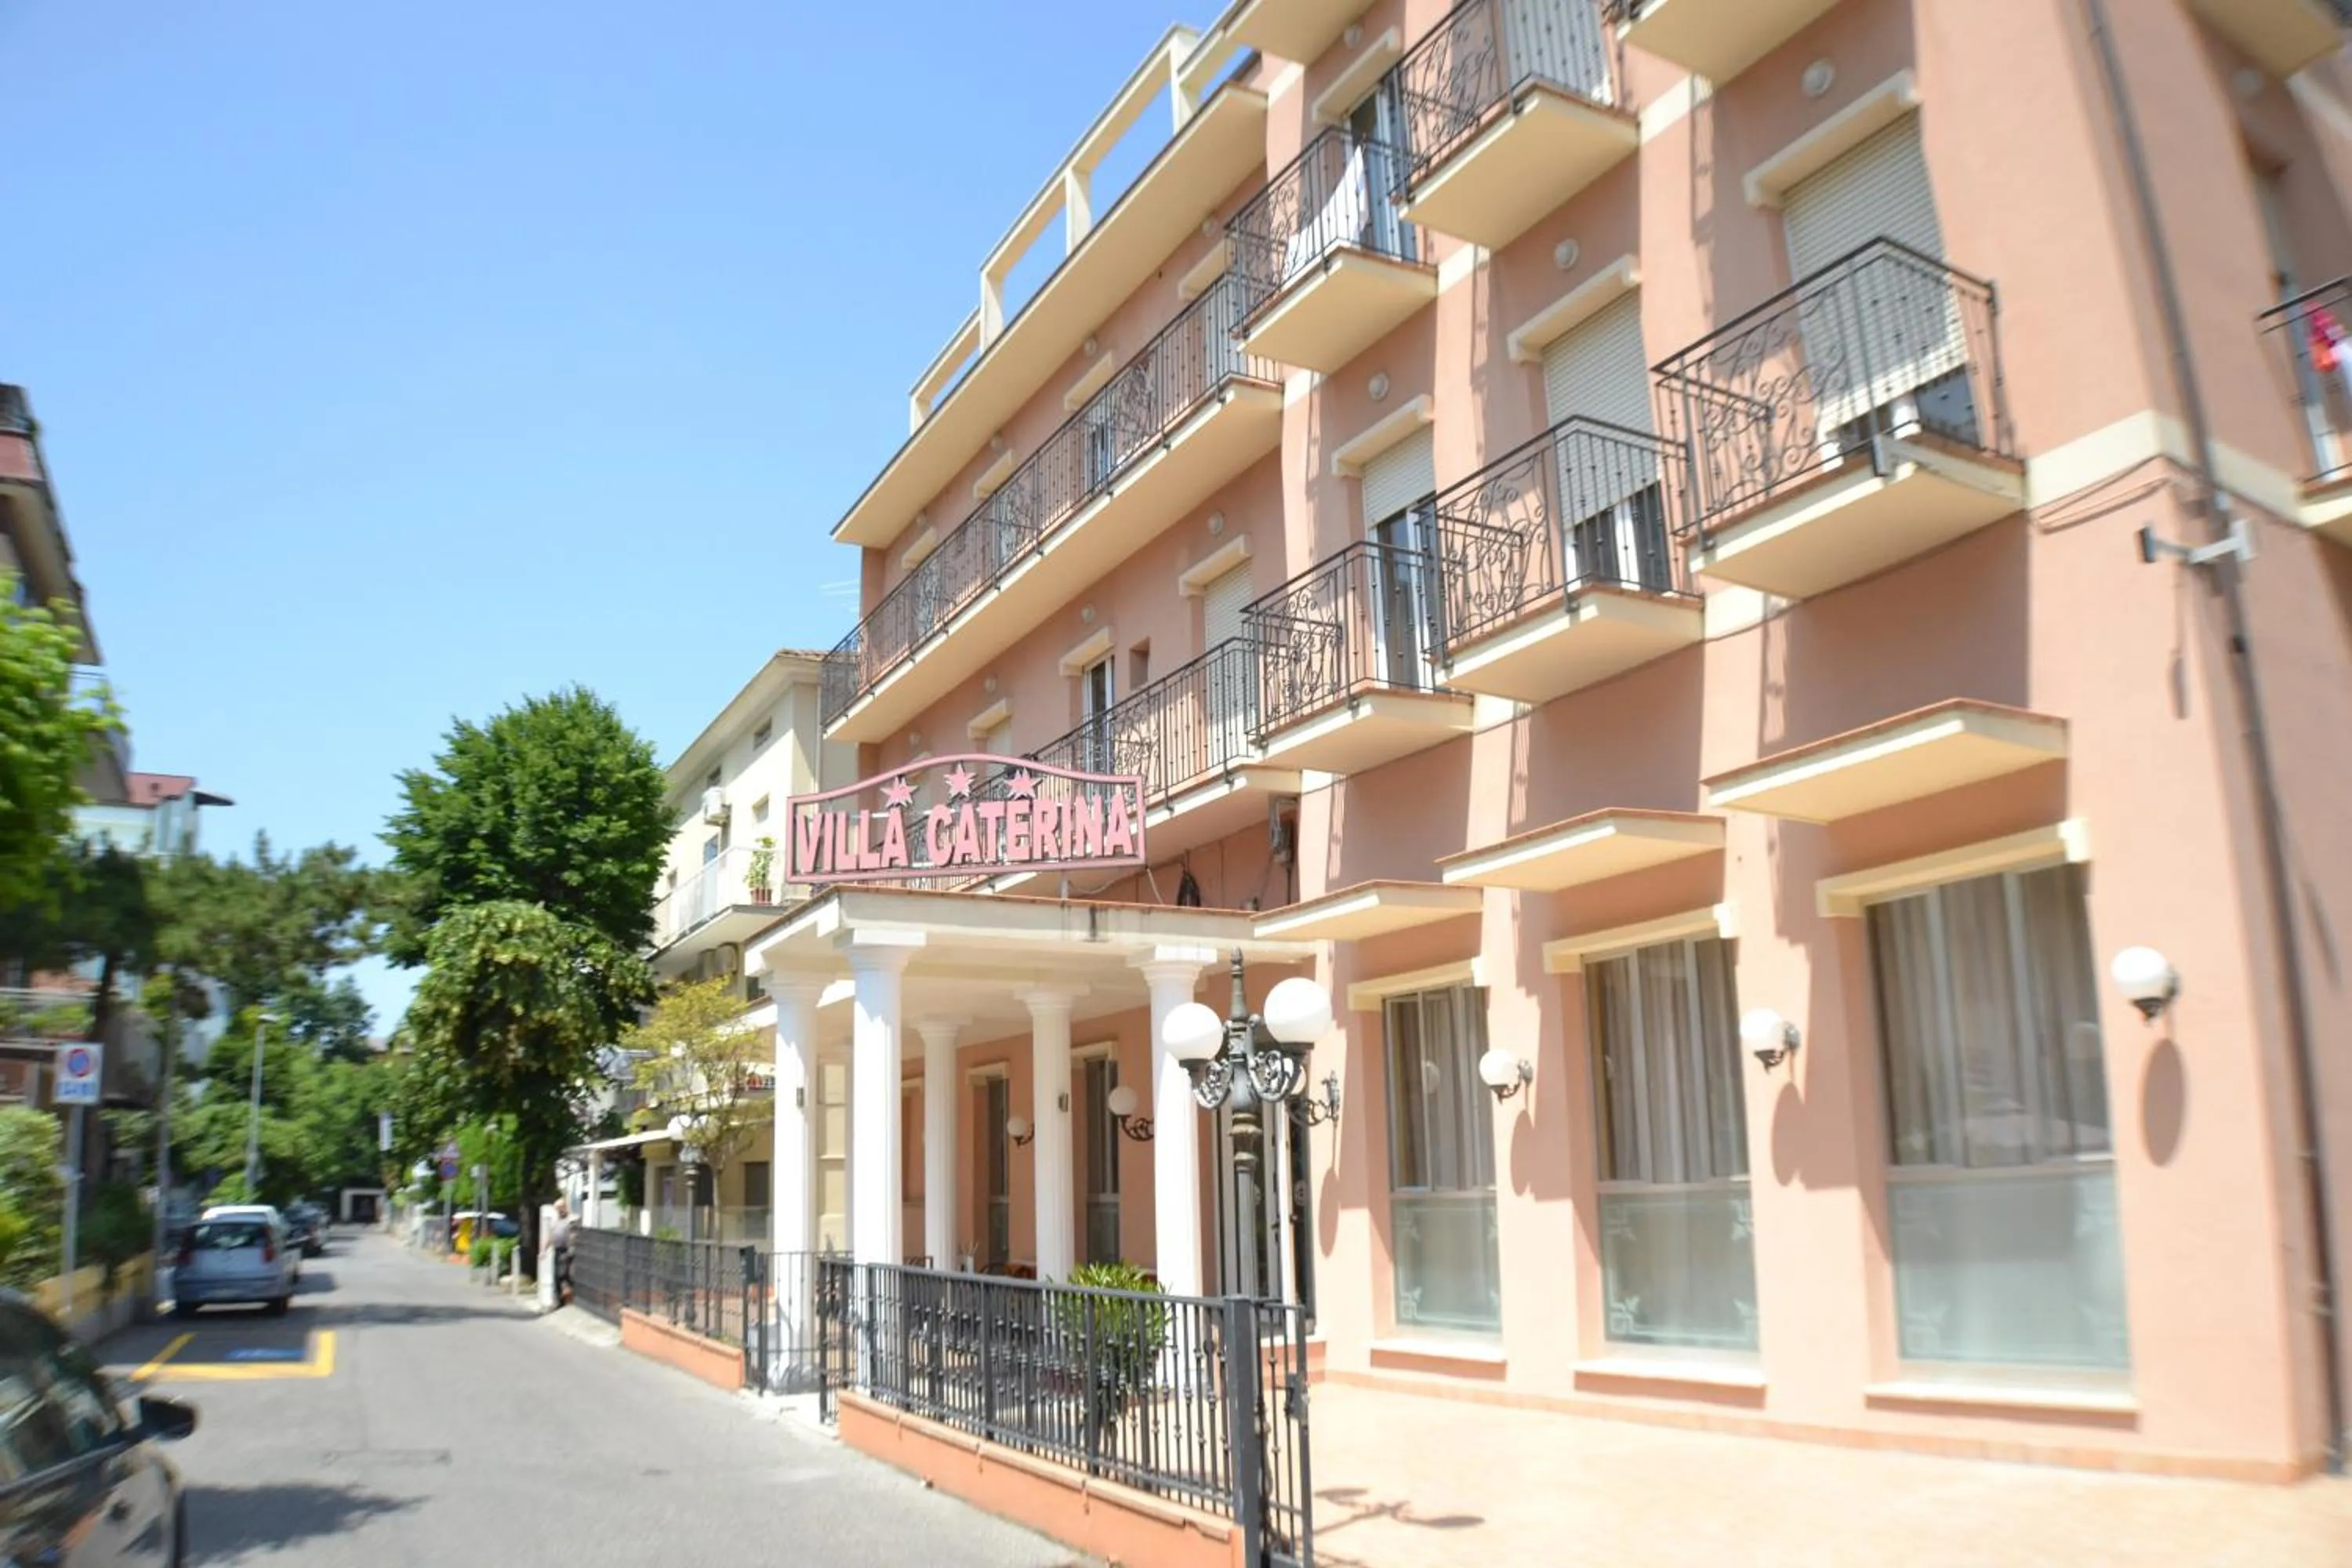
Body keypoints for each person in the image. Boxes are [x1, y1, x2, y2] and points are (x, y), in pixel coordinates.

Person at [550, 1197, 574, 1306]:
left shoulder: (570, 1220)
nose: (559, 1211)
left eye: (560, 1208)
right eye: (557, 1209)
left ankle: (566, 1298)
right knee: (556, 1275)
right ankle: (559, 1300)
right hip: (557, 1249)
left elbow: (573, 1236)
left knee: (563, 1274)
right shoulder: (556, 1221)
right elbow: (551, 1236)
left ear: (565, 1207)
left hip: (566, 1250)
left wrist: (571, 1248)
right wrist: (543, 1250)